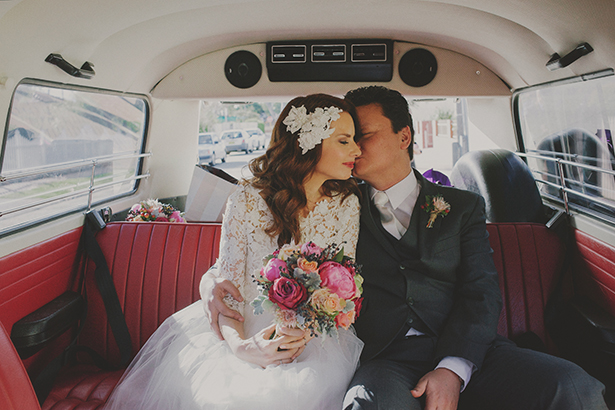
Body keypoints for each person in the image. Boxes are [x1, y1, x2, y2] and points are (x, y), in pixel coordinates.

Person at [203, 86, 608, 410]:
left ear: (404, 136)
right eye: (347, 139)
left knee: (575, 387)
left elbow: (481, 291)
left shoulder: (462, 207)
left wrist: (453, 367)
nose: (355, 149)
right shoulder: (334, 202)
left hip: (472, 350)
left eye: (363, 136)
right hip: (384, 358)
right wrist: (213, 288)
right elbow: (262, 254)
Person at [103, 94, 364, 410]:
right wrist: (242, 347)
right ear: (308, 143)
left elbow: (341, 288)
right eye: (344, 140)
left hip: (316, 339)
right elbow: (227, 289)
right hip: (239, 327)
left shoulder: (346, 205)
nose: (357, 150)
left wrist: (298, 336)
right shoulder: (247, 199)